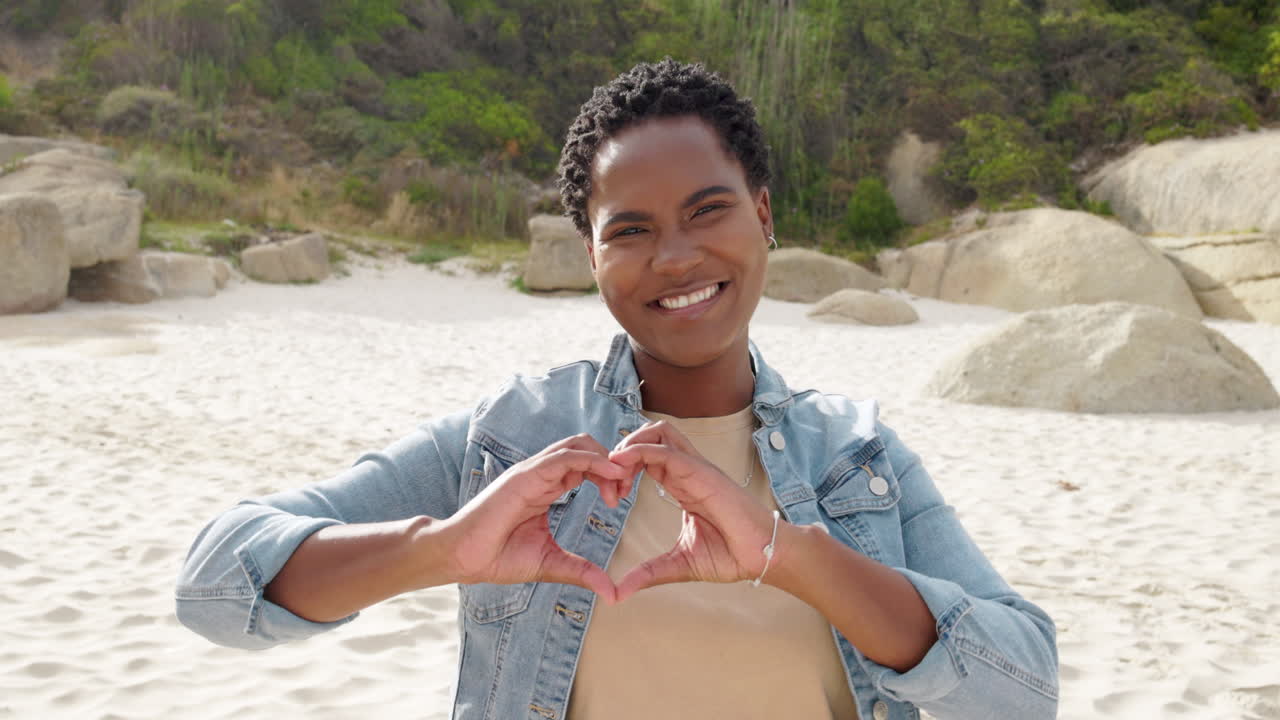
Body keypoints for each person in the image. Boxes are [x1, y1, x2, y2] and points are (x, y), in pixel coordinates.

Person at [176, 59, 1058, 720]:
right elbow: (215, 582)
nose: (675, 257)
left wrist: (784, 556)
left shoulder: (857, 456)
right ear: (591, 255)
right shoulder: (514, 440)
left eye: (707, 210)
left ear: (762, 213)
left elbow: (1025, 683)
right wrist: (439, 551)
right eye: (629, 230)